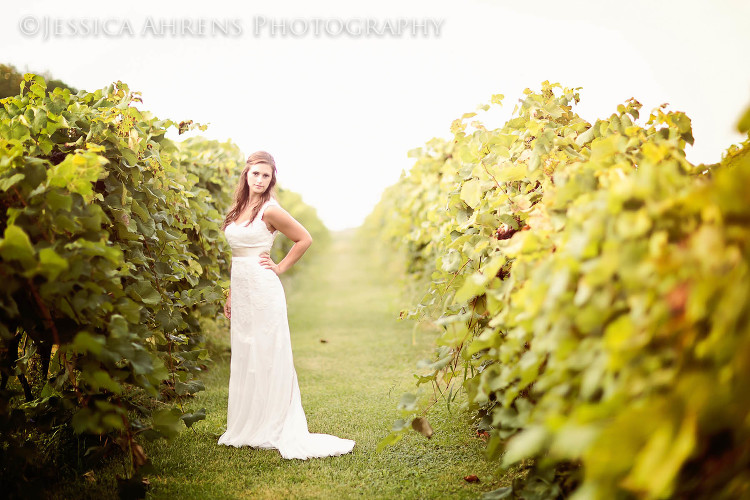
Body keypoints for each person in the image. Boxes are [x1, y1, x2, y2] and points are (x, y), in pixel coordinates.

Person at [217, 151, 355, 460]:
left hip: (264, 290)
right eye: (255, 174)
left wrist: (279, 267)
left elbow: (303, 239)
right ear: (246, 175)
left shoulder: (270, 210)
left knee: (267, 354)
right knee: (246, 354)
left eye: (266, 175)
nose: (260, 179)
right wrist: (230, 295)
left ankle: (274, 425)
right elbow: (237, 256)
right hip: (242, 289)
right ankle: (248, 425)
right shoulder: (239, 208)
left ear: (271, 179)